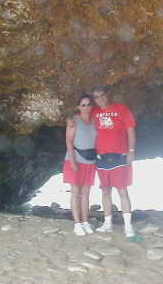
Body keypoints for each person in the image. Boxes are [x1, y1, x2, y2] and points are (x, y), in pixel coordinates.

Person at [91, 85, 136, 238]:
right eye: (96, 97)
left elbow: (130, 130)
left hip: (120, 155)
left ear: (107, 95)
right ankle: (107, 223)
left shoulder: (121, 109)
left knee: (122, 190)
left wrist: (131, 151)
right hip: (101, 156)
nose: (100, 99)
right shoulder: (94, 113)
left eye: (102, 95)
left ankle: (128, 226)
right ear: (94, 100)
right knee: (105, 190)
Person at [63, 94, 97, 236]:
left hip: (90, 161)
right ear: (78, 107)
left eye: (88, 104)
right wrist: (73, 162)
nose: (86, 107)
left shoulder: (95, 121)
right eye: (83, 105)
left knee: (86, 193)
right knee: (76, 192)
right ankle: (77, 224)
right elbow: (69, 142)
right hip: (74, 159)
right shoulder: (73, 121)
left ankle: (85, 221)